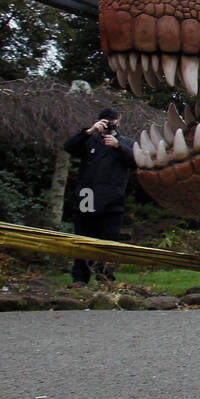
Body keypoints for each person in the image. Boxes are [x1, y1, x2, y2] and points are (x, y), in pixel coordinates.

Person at [64, 108, 136, 285]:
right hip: (87, 195)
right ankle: (80, 278)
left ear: (118, 122)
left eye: (111, 120)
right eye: (105, 120)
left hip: (112, 198)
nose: (108, 123)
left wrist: (118, 146)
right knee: (83, 238)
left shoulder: (126, 142)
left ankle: (105, 277)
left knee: (109, 240)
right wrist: (88, 131)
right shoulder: (89, 140)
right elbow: (69, 147)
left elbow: (135, 161)